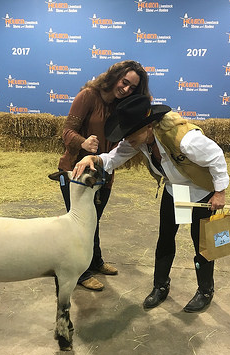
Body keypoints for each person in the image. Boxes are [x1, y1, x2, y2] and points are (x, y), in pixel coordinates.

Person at [73, 95, 230, 312]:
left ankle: (205, 291)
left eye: (129, 134)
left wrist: (220, 194)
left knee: (203, 245)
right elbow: (115, 157)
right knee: (165, 239)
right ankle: (160, 286)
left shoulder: (185, 139)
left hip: (202, 192)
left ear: (147, 126)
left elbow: (216, 157)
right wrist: (95, 159)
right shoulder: (139, 140)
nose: (126, 140)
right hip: (175, 191)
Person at [58, 60, 150, 291]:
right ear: (115, 76)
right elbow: (67, 131)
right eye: (124, 82)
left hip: (103, 172)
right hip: (76, 172)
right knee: (81, 223)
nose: (126, 89)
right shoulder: (88, 96)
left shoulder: (122, 106)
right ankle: (80, 272)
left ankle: (95, 261)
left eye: (132, 88)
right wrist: (83, 142)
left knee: (94, 220)